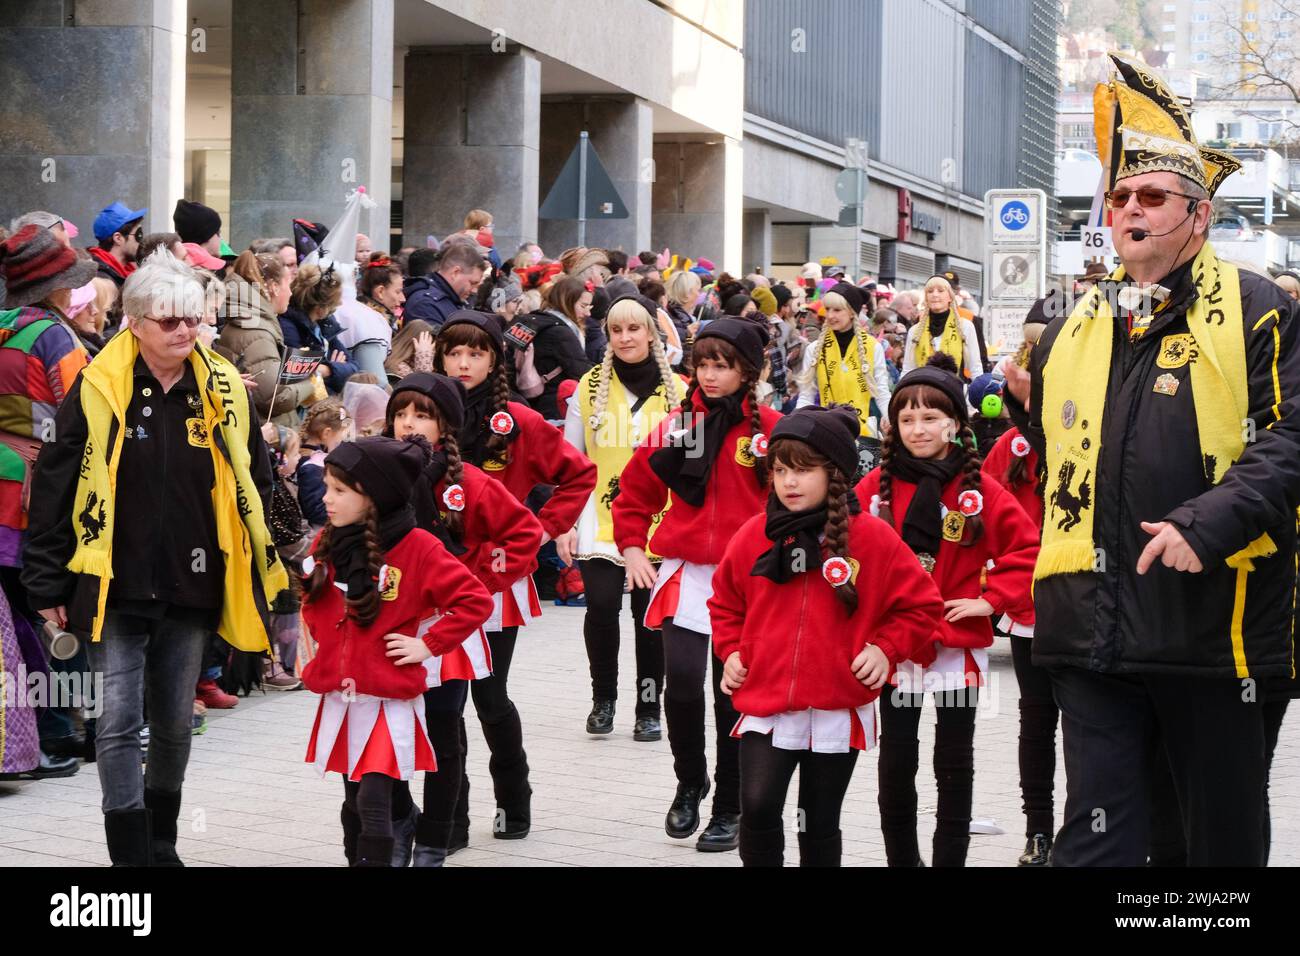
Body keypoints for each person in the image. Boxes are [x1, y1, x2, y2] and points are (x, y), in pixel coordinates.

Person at [1001, 53, 1300, 867]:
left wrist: (1205, 523)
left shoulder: (1256, 309)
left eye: (1152, 197)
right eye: (1120, 196)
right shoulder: (1074, 323)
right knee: (1094, 844)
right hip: (1088, 629)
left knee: (1212, 851)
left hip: (1213, 626)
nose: (1129, 208)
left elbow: (1290, 437)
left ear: (1196, 217)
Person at [23, 249, 288, 865]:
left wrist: (273, 563)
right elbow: (57, 485)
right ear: (135, 322)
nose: (184, 332)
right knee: (116, 722)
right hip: (111, 580)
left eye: (192, 320)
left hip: (195, 578)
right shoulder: (96, 387)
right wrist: (46, 585)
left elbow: (259, 482)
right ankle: (128, 854)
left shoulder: (222, 386)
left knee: (173, 722)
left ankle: (162, 842)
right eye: (169, 321)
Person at [710, 405, 944, 866]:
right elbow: (724, 603)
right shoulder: (753, 534)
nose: (789, 482)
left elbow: (923, 606)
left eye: (803, 470)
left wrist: (885, 649)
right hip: (765, 697)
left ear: (834, 474)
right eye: (779, 470)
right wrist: (731, 650)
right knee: (756, 806)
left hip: (837, 703)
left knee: (817, 819)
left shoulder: (873, 538)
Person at [857, 354, 1038, 866]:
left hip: (955, 651)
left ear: (956, 424)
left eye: (931, 416)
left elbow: (1027, 548)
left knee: (954, 762)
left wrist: (992, 599)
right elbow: (842, 548)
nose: (918, 428)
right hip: (893, 650)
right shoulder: (875, 487)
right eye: (907, 417)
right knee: (896, 761)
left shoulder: (978, 489)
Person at [613, 318, 781, 853]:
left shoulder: (773, 431)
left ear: (747, 372)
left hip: (752, 581)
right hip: (686, 572)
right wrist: (634, 547)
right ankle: (690, 782)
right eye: (703, 364)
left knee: (732, 695)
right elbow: (634, 492)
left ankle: (729, 806)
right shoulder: (677, 427)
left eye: (723, 365)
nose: (709, 375)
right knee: (681, 686)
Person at [433, 310, 597, 846]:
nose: (463, 363)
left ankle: (513, 799)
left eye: (475, 353)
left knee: (488, 695)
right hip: (433, 581)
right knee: (443, 701)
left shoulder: (517, 420)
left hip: (496, 580)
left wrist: (540, 531)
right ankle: (449, 819)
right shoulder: (421, 415)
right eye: (454, 352)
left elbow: (579, 474)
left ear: (494, 360)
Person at [300, 436, 493, 866]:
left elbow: (475, 601)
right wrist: (318, 648)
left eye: (338, 490)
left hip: (388, 699)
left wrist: (428, 644)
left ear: (374, 497)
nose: (325, 499)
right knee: (353, 802)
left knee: (373, 800)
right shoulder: (328, 543)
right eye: (327, 487)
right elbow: (316, 610)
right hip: (342, 696)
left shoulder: (419, 546)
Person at [382, 373, 543, 866]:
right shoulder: (378, 471)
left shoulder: (469, 480)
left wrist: (481, 581)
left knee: (443, 728)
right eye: (402, 413)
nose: (409, 424)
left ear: (445, 425)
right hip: (389, 625)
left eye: (422, 415)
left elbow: (526, 532)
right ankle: (399, 815)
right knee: (387, 732)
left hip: (447, 628)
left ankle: (439, 832)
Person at [557, 294, 682, 741]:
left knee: (649, 619)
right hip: (598, 517)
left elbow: (698, 465)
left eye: (635, 328)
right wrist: (565, 524)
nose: (626, 337)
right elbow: (569, 462)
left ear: (651, 331)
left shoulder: (682, 392)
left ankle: (648, 706)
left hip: (659, 522)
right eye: (616, 330)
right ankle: (603, 699)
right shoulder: (587, 388)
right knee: (603, 609)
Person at [0, 225, 96, 779]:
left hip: (4, 491)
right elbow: (83, 414)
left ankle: (26, 738)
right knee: (52, 616)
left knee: (12, 623)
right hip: (38, 496)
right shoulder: (52, 337)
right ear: (59, 289)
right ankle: (59, 735)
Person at [980, 316, 1055, 865]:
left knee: (1092, 721)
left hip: (1095, 597)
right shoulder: (1008, 446)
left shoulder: (1094, 429)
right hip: (1033, 602)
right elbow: (977, 514)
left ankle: (1090, 828)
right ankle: (1039, 828)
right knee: (1037, 716)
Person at [796, 281, 892, 461]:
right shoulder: (815, 349)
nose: (830, 315)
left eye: (837, 310)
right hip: (825, 432)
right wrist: (797, 422)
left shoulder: (873, 347)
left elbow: (881, 392)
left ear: (852, 312)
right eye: (828, 309)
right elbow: (806, 395)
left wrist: (890, 417)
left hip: (863, 435)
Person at [217, 251, 309, 426]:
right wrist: (311, 378)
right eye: (288, 285)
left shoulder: (252, 323)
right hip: (266, 439)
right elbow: (275, 398)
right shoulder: (257, 332)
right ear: (274, 287)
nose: (290, 292)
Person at [279, 263, 356, 395]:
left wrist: (328, 370)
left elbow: (354, 368)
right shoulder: (288, 328)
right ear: (320, 308)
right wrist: (334, 369)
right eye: (335, 301)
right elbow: (297, 375)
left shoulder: (324, 325)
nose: (340, 304)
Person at [529, 275, 596, 418]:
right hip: (554, 406)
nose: (588, 313)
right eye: (583, 306)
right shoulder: (560, 332)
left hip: (536, 400)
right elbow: (582, 372)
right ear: (566, 301)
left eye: (589, 307)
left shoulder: (542, 320)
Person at [901, 275, 982, 379]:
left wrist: (979, 391)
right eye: (930, 291)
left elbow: (975, 367)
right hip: (922, 388)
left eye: (940, 291)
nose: (935, 295)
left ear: (950, 297)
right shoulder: (915, 331)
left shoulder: (965, 327)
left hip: (955, 388)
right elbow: (908, 368)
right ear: (926, 298)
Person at [296, 398, 352, 530]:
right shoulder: (311, 466)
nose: (344, 440)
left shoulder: (312, 455)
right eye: (343, 434)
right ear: (327, 433)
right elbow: (317, 510)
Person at [403, 241, 486, 330]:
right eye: (472, 283)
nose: (474, 290)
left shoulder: (451, 299)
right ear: (455, 272)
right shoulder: (425, 303)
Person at [87, 202, 145, 288]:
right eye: (138, 235)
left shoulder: (128, 275)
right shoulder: (100, 280)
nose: (142, 241)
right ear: (118, 238)